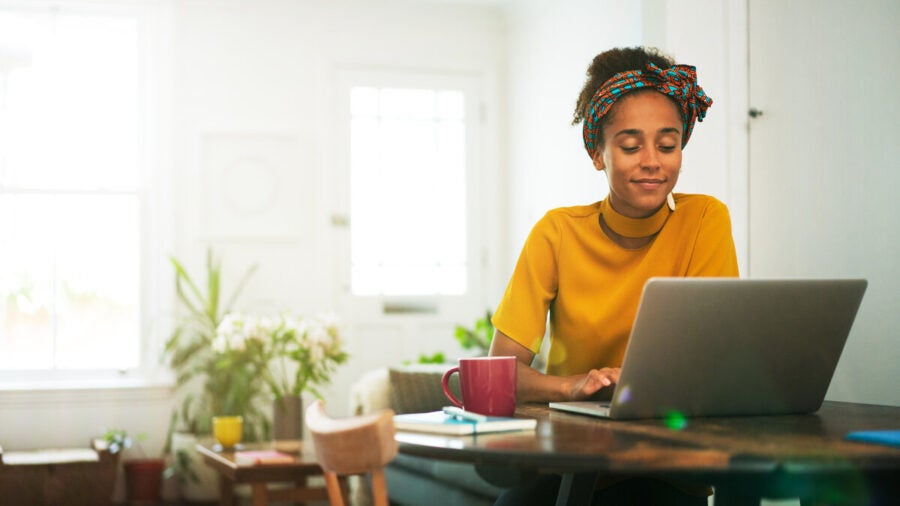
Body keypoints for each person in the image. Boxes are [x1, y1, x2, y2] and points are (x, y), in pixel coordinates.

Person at [489, 46, 739, 505]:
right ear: (597, 153)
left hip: (665, 465)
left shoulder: (705, 219)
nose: (652, 161)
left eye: (668, 144)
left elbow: (712, 364)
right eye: (630, 145)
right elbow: (501, 373)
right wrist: (575, 385)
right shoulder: (557, 233)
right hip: (571, 458)